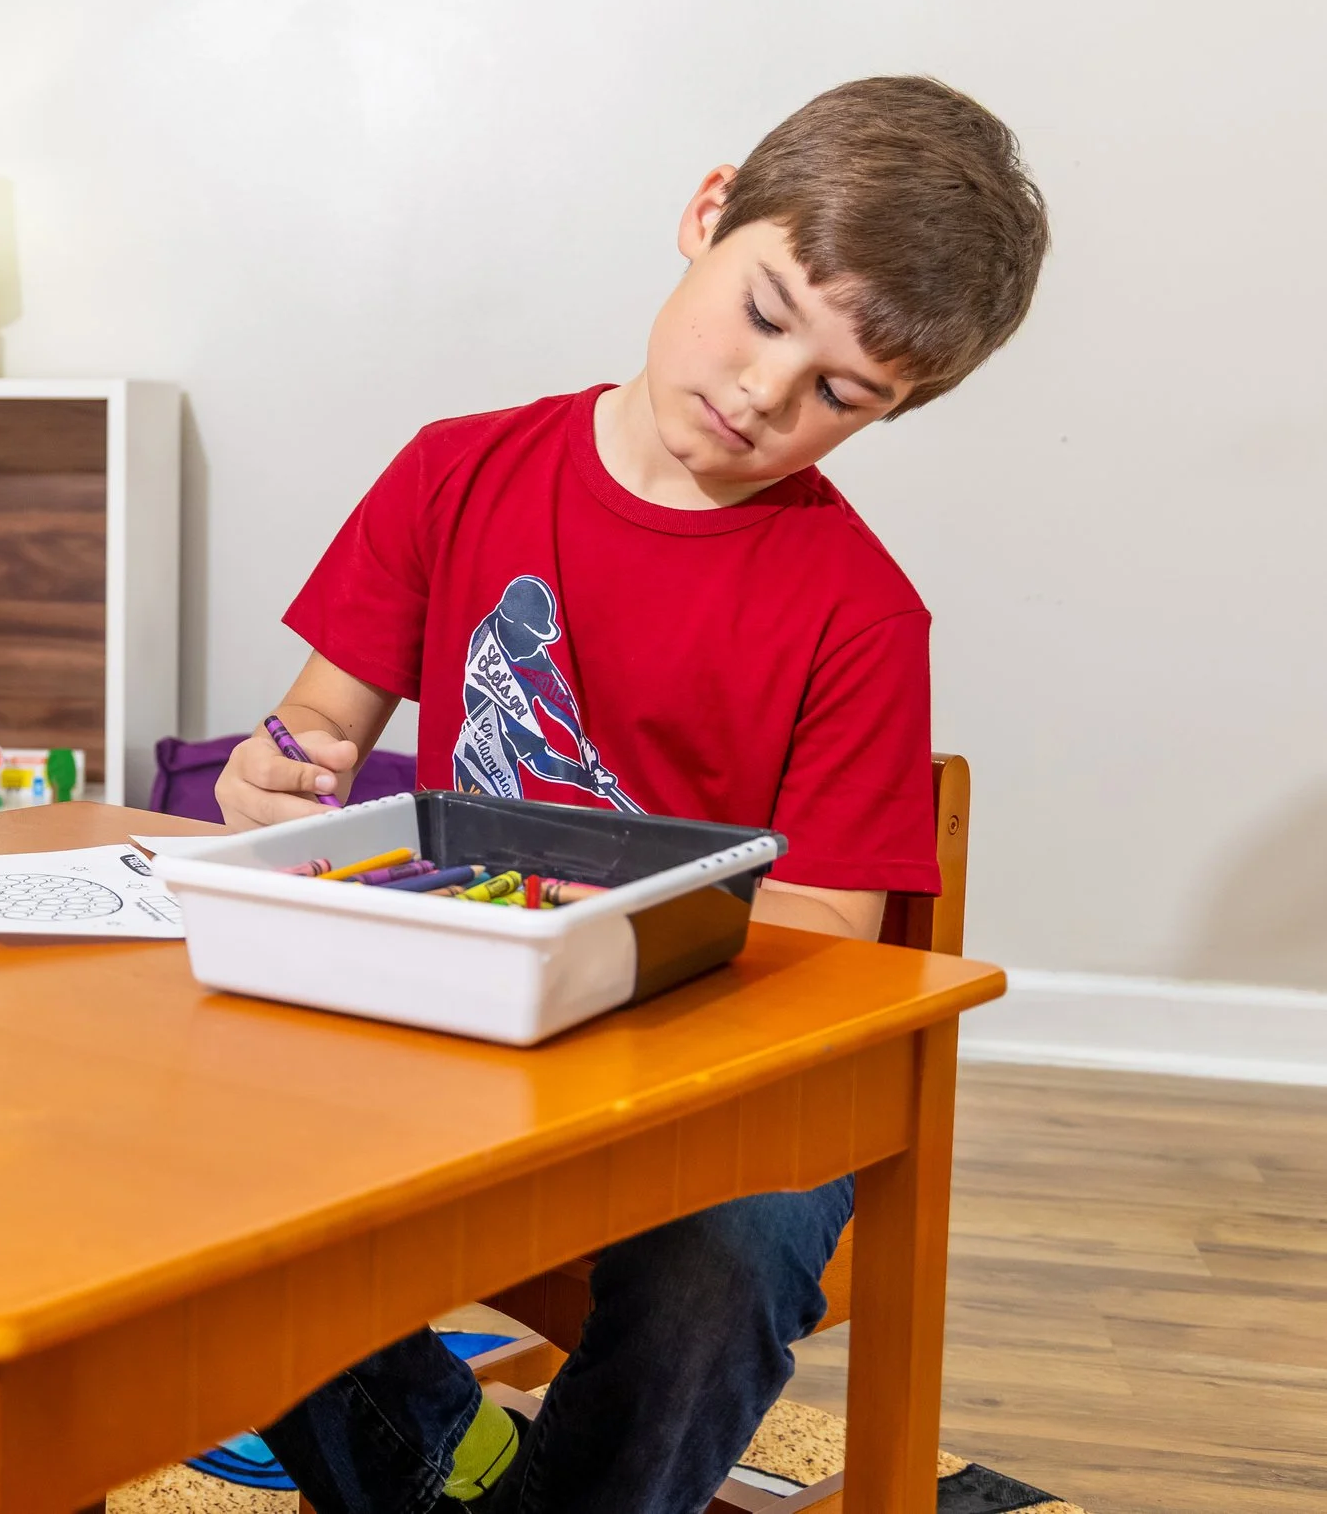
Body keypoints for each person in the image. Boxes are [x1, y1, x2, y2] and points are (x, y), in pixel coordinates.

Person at [215, 76, 1049, 1514]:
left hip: (708, 1085)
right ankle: (447, 1464)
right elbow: (305, 739)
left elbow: (831, 934)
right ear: (708, 211)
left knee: (735, 1251)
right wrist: (275, 778)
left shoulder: (860, 613)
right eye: (767, 311)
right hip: (446, 1024)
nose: (764, 392)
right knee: (176, 1141)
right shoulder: (453, 473)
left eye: (843, 392)